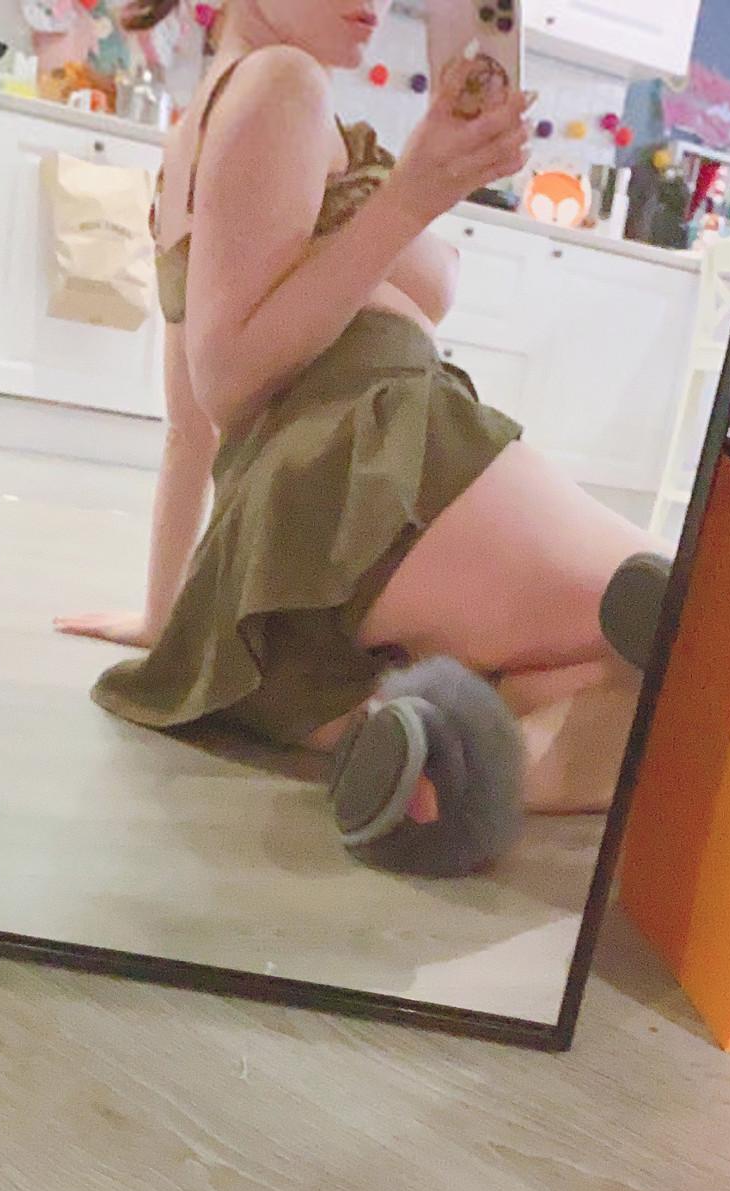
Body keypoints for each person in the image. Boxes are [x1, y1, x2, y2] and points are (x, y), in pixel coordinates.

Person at [56, 0, 659, 854]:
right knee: (692, 628)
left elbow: (188, 427)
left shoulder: (205, 121)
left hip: (288, 578)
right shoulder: (282, 82)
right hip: (380, 461)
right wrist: (410, 194)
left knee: (614, 678)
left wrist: (174, 623)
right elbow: (224, 377)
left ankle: (437, 761)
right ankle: (461, 768)